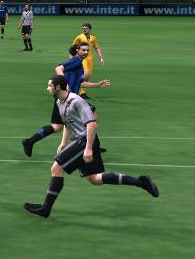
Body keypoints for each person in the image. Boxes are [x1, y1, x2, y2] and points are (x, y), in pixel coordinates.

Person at [24, 74, 158, 219]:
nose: (47, 88)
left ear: (57, 87)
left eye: (49, 85)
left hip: (85, 141)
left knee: (56, 168)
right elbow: (67, 124)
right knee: (95, 179)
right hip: (81, 141)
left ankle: (45, 208)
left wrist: (88, 148)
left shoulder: (76, 101)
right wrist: (63, 143)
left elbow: (92, 123)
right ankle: (141, 182)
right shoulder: (59, 102)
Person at [23, 42, 90, 157]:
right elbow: (58, 68)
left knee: (60, 125)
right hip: (66, 98)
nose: (86, 52)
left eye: (87, 50)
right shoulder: (76, 61)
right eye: (83, 50)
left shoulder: (79, 64)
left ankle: (31, 141)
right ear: (77, 50)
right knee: (88, 117)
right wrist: (65, 83)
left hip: (68, 98)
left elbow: (80, 82)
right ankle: (89, 146)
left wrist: (98, 85)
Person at [72, 24, 111, 88]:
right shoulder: (79, 37)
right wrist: (73, 58)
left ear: (90, 29)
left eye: (86, 28)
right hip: (83, 58)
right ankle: (82, 92)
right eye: (83, 28)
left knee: (88, 75)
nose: (84, 29)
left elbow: (97, 47)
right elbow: (73, 47)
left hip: (90, 58)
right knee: (86, 73)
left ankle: (82, 90)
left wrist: (101, 57)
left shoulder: (93, 38)